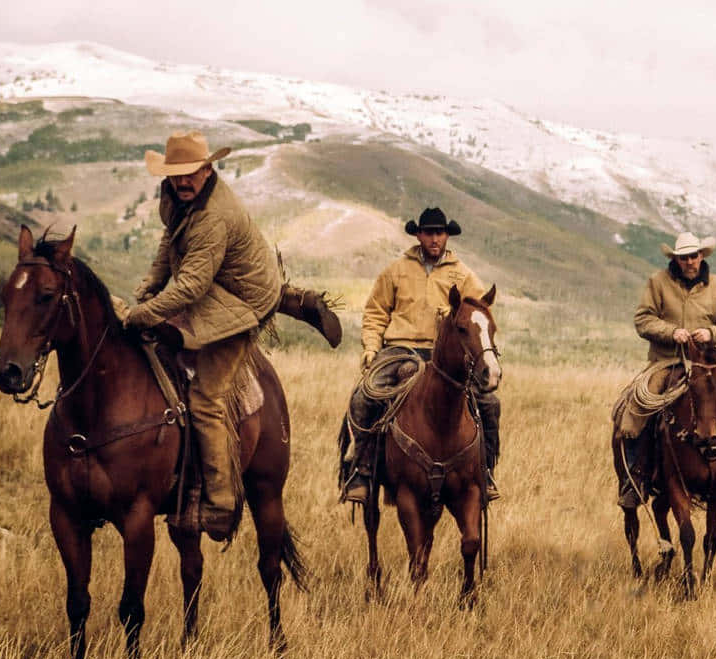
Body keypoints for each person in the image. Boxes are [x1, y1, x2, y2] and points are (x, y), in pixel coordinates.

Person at [118, 133, 300, 540]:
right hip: (214, 286)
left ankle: (219, 502)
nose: (182, 182)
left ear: (207, 169)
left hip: (242, 303)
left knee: (206, 399)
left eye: (189, 174)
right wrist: (149, 287)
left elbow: (190, 287)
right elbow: (170, 245)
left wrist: (140, 314)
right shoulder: (179, 198)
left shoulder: (215, 216)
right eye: (175, 175)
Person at [340, 207, 501, 504]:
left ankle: (485, 470)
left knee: (489, 403)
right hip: (398, 348)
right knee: (363, 397)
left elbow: (479, 313)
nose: (435, 238)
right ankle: (362, 470)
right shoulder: (396, 271)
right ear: (418, 235)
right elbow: (375, 313)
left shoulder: (463, 275)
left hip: (443, 355)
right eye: (429, 232)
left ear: (447, 236)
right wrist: (371, 348)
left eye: (440, 233)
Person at [613, 232, 716, 506]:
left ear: (702, 256)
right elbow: (643, 320)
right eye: (684, 258)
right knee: (635, 411)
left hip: (710, 366)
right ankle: (635, 479)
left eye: (694, 256)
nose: (689, 262)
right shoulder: (657, 283)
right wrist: (671, 332)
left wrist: (711, 332)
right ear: (676, 259)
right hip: (666, 363)